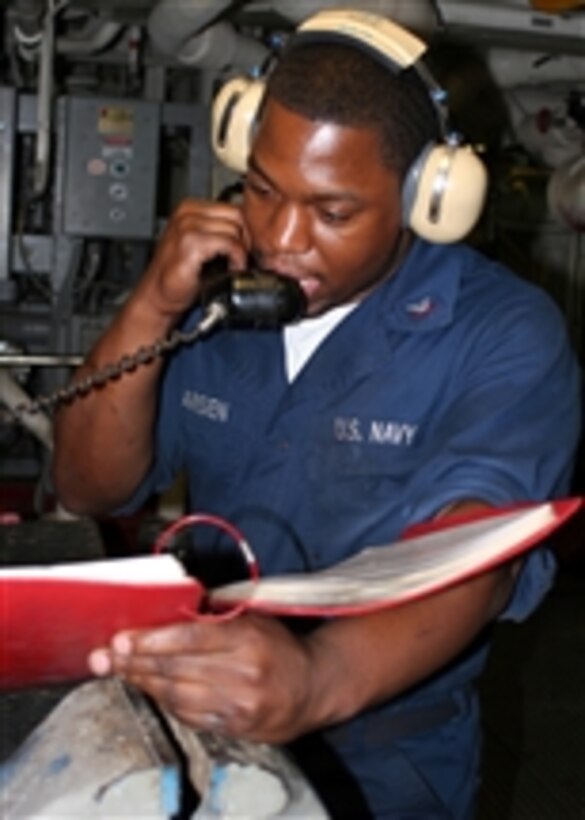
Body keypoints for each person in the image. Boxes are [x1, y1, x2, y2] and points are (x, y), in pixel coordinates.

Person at [52, 11, 581, 819]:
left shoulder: (501, 332)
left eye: (333, 213)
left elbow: (476, 551)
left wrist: (316, 680)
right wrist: (152, 305)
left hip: (388, 756)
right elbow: (90, 488)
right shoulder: (218, 297)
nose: (282, 238)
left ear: (424, 201)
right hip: (197, 719)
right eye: (263, 189)